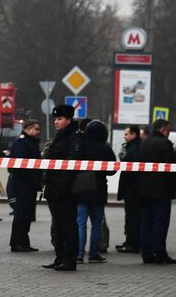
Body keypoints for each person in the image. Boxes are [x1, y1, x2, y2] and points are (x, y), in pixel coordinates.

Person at [73, 120, 116, 264]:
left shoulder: (81, 144)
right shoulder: (105, 147)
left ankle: (78, 255)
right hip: (98, 189)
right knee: (96, 223)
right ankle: (93, 254)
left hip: (81, 188)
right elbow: (112, 170)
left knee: (80, 223)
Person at [42, 104, 79, 272]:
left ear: (69, 120)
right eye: (55, 119)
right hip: (53, 188)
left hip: (65, 190)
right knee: (57, 226)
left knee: (68, 226)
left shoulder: (74, 137)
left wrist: (63, 188)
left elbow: (72, 165)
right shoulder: (60, 136)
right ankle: (60, 257)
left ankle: (69, 259)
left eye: (60, 119)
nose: (56, 122)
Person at [138, 119, 176, 264]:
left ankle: (146, 253)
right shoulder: (165, 144)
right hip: (162, 190)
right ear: (164, 129)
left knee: (146, 221)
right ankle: (159, 253)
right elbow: (170, 168)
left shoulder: (144, 142)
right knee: (160, 222)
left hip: (144, 190)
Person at [9, 119, 42, 252]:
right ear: (28, 129)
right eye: (36, 129)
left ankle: (23, 241)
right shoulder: (21, 143)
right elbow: (20, 165)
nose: (38, 132)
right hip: (23, 185)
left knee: (26, 215)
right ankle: (17, 243)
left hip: (29, 184)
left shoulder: (30, 142)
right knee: (22, 214)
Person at [116, 124, 141, 253]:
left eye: (127, 134)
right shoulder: (132, 147)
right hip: (132, 189)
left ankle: (132, 243)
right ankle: (129, 241)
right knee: (131, 217)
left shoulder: (134, 148)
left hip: (132, 190)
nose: (125, 137)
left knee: (132, 217)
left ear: (134, 134)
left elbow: (130, 168)